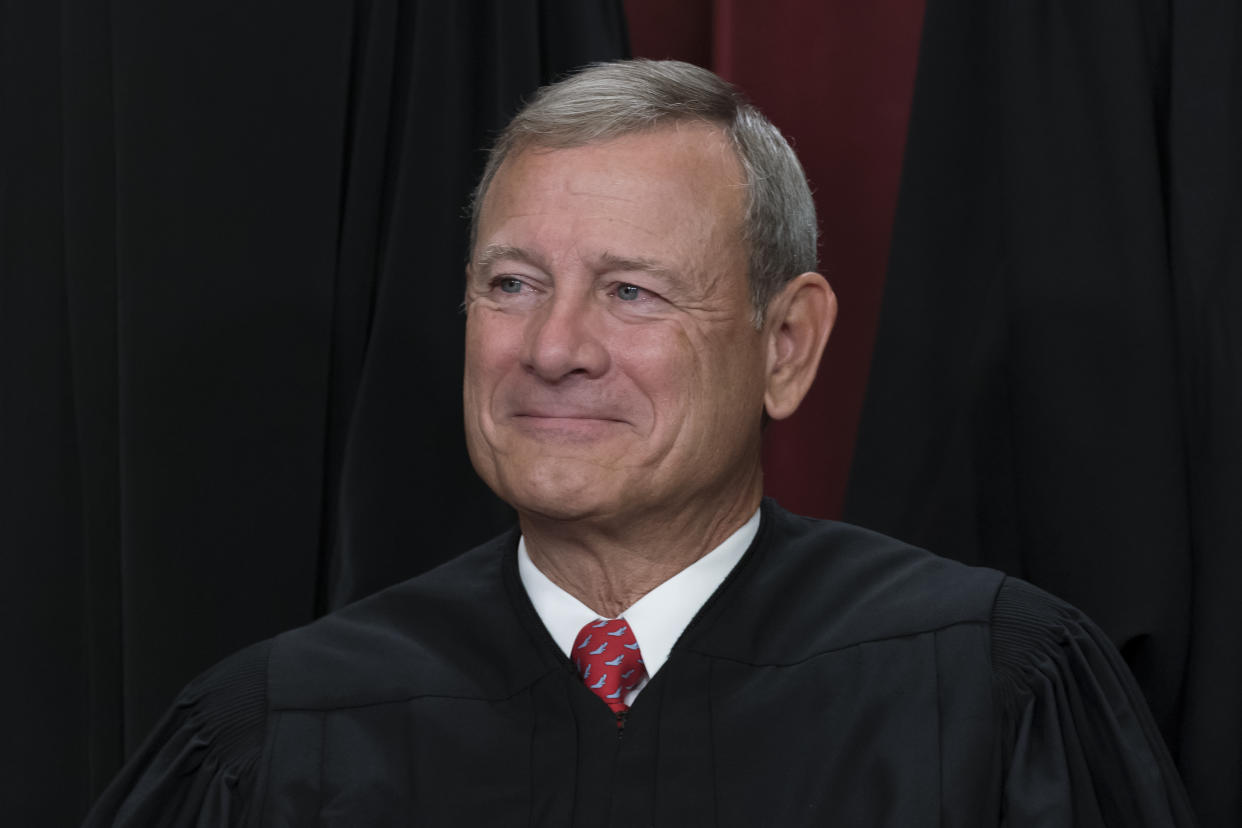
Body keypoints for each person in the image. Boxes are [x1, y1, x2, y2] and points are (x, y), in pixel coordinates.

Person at [85, 59, 1196, 827]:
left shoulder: (985, 691)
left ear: (788, 345)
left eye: (631, 290)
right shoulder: (281, 734)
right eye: (512, 284)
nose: (554, 347)